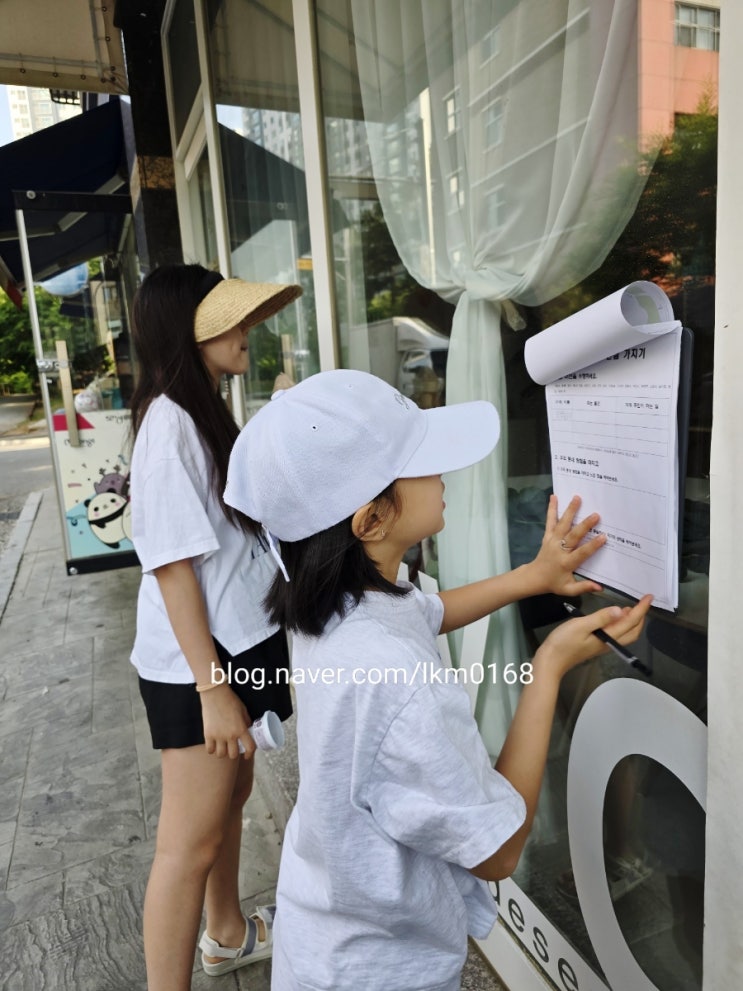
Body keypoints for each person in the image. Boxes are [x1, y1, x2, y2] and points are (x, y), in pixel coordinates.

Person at [223, 369, 652, 991]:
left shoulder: (333, 602)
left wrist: (533, 576)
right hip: (381, 973)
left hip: (326, 937)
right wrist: (548, 667)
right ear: (371, 520)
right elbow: (498, 852)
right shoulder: (397, 677)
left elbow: (427, 611)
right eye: (422, 462)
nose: (443, 471)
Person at [128, 264, 302, 991]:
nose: (246, 330)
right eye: (228, 318)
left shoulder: (200, 410)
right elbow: (172, 567)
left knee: (231, 797)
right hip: (200, 662)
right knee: (186, 845)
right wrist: (212, 688)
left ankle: (226, 933)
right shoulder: (169, 422)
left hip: (236, 641)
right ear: (188, 330)